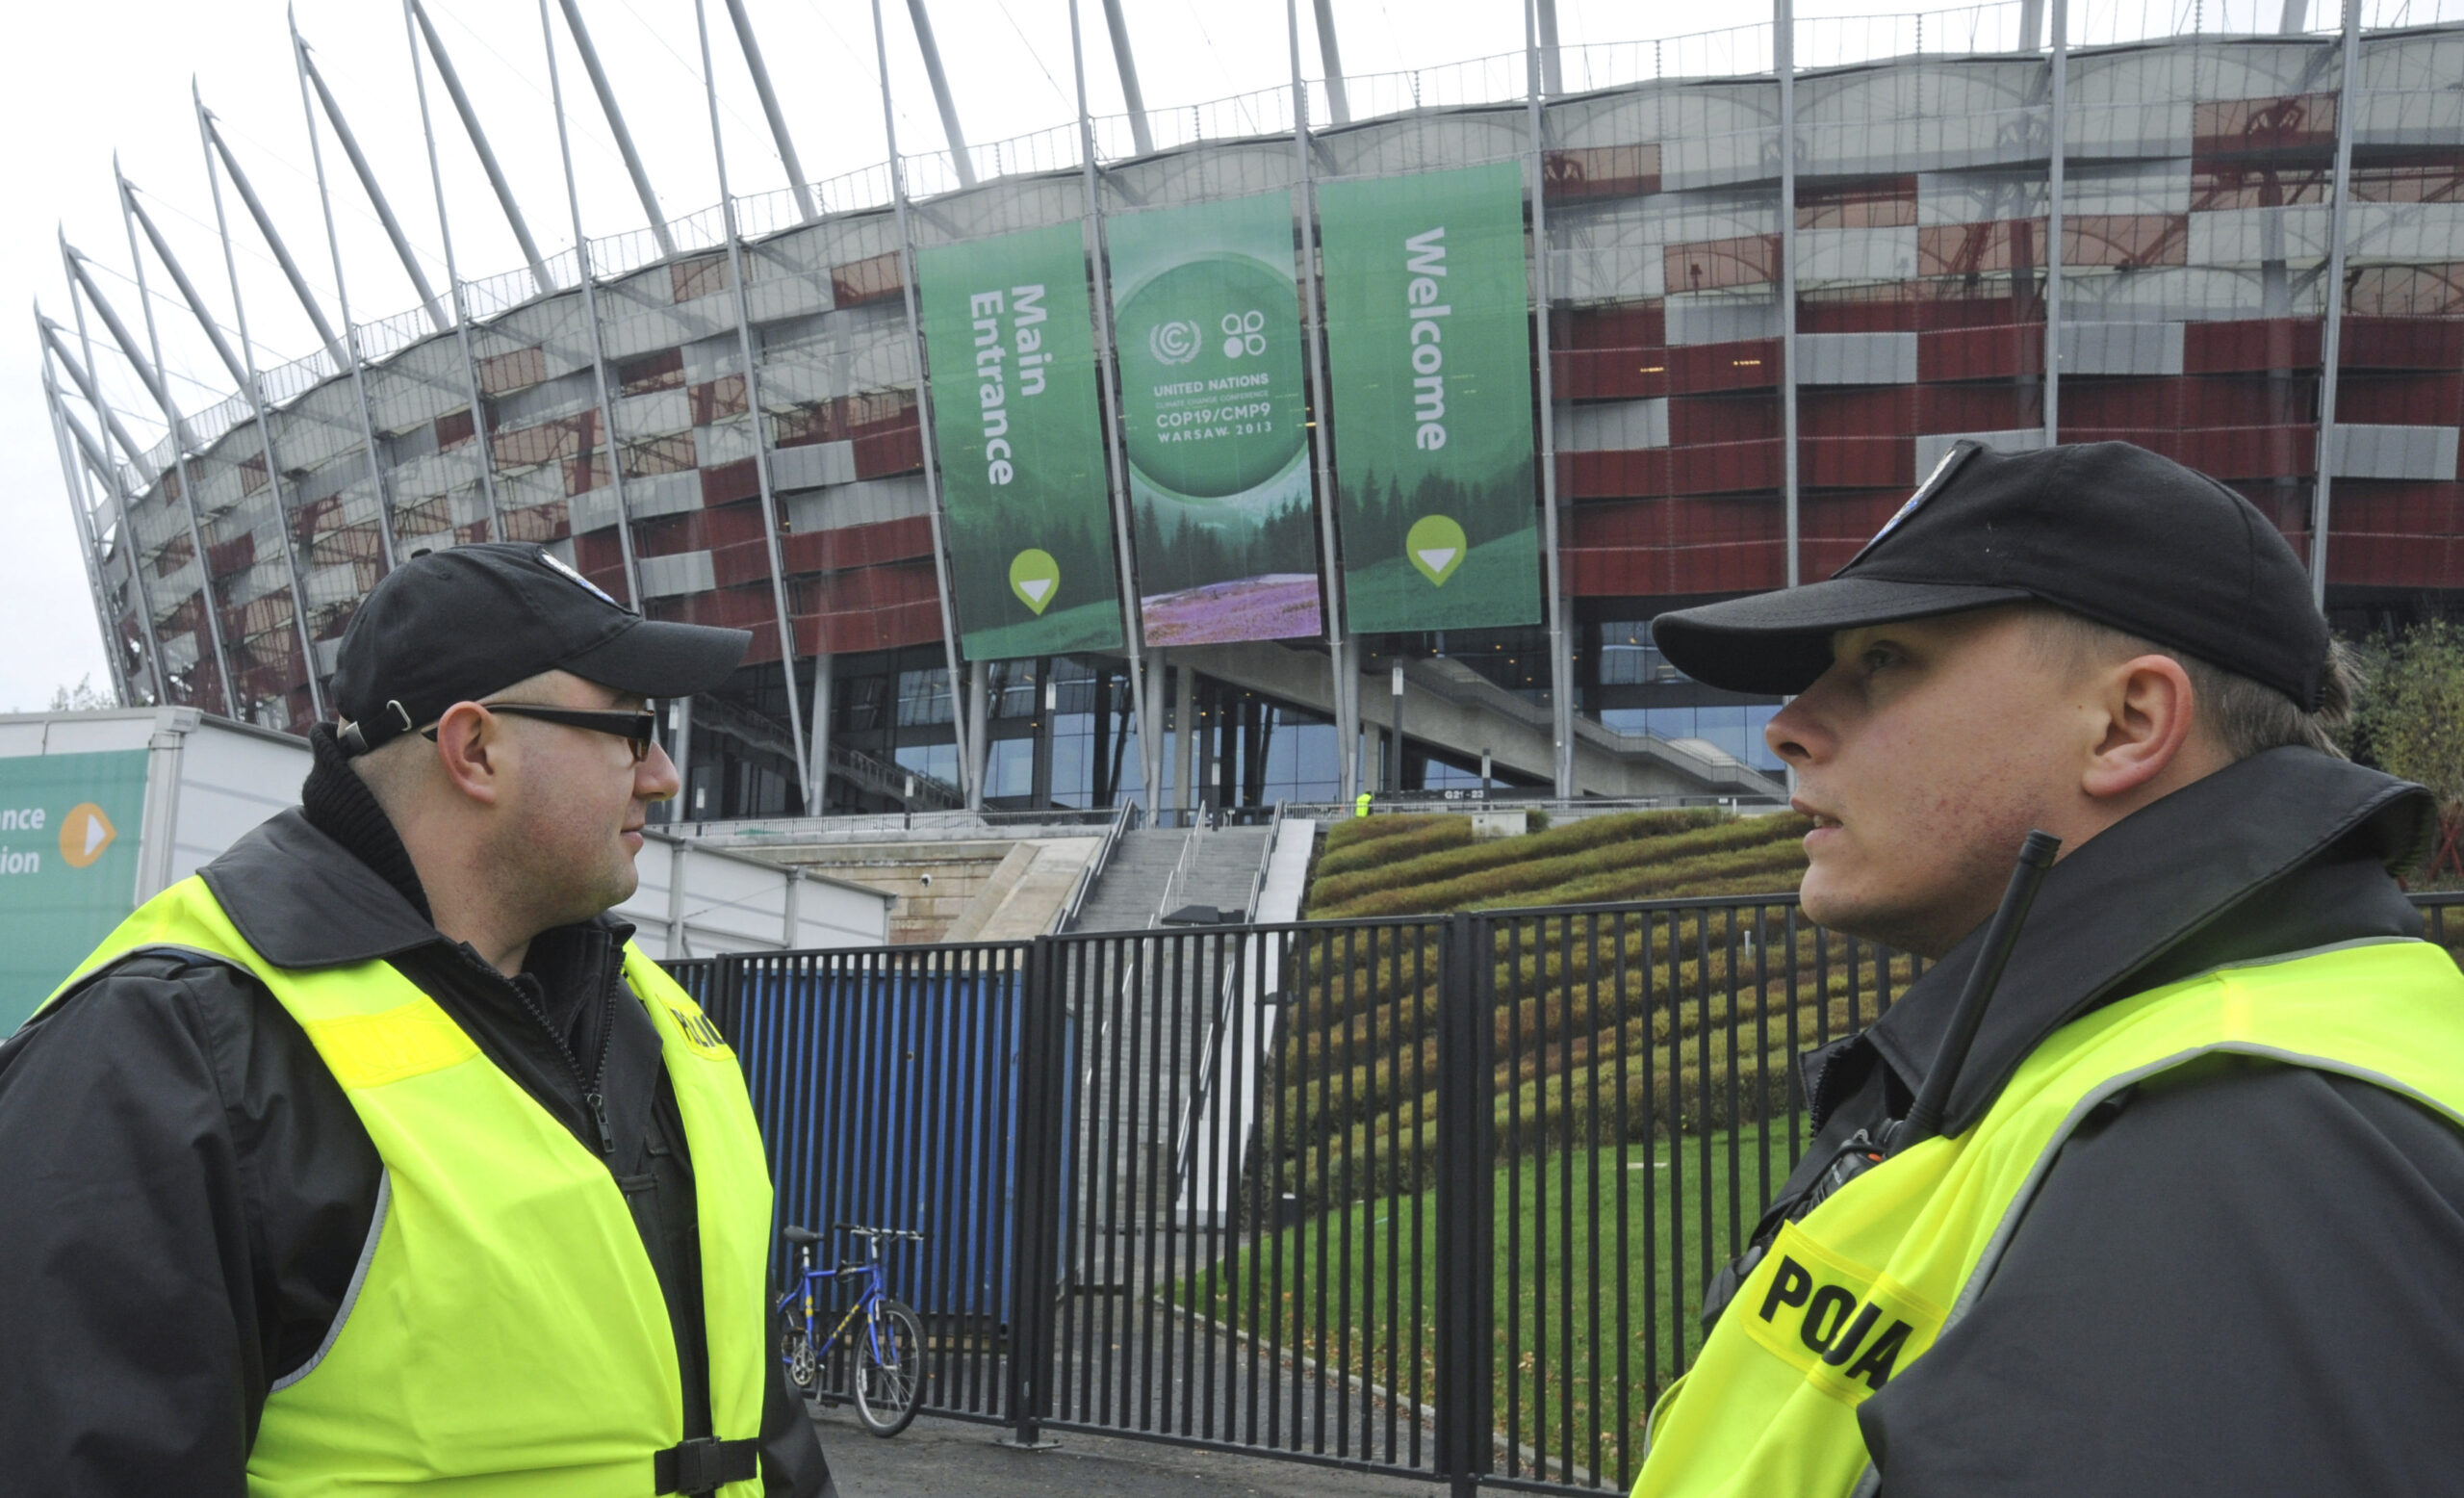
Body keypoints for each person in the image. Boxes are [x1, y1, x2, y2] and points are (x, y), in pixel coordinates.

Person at [1631, 441, 2464, 1497]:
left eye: (1882, 658)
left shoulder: (2235, 1135)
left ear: (2126, 723)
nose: (1788, 726)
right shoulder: (2127, 1061)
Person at [0, 543, 834, 1497]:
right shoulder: (169, 1046)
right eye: (631, 730)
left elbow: (757, 1426)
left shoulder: (658, 1014)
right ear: (474, 748)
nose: (665, 776)